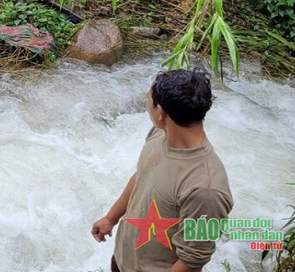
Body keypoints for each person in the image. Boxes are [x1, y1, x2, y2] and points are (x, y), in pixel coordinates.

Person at [91, 69, 233, 272]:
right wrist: (110, 218)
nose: (146, 102)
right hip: (124, 261)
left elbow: (192, 261)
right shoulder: (160, 134)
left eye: (148, 99)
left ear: (161, 112)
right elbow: (143, 175)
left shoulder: (205, 189)